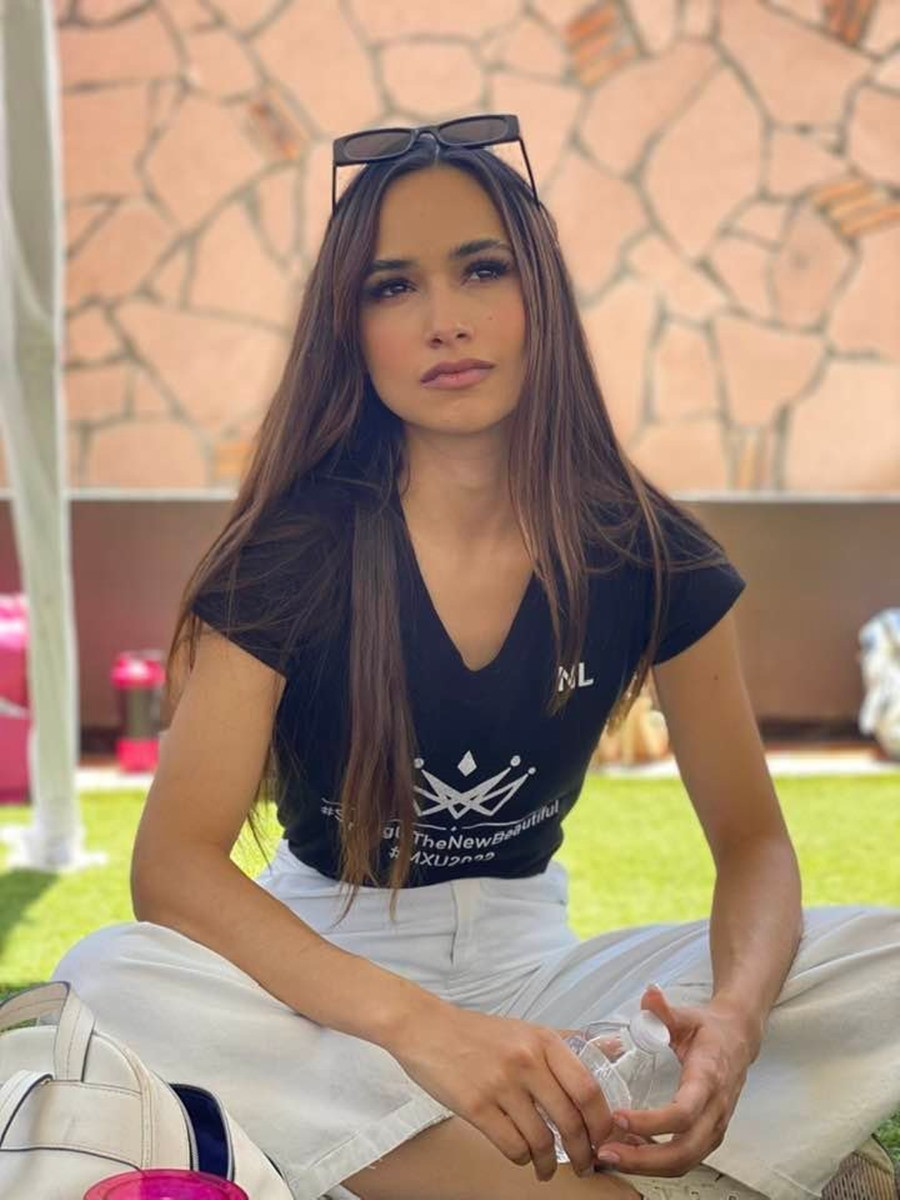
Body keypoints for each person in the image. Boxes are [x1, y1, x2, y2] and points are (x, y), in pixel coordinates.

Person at [53, 115, 900, 1200]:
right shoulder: (288, 555)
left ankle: (416, 1159)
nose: (444, 319)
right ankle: (584, 1181)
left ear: (539, 292)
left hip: (535, 980)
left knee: (876, 961)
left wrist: (732, 1027)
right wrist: (421, 1030)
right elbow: (173, 867)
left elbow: (753, 844)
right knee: (113, 976)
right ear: (350, 329)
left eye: (482, 270)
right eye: (393, 286)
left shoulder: (648, 552)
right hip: (326, 983)